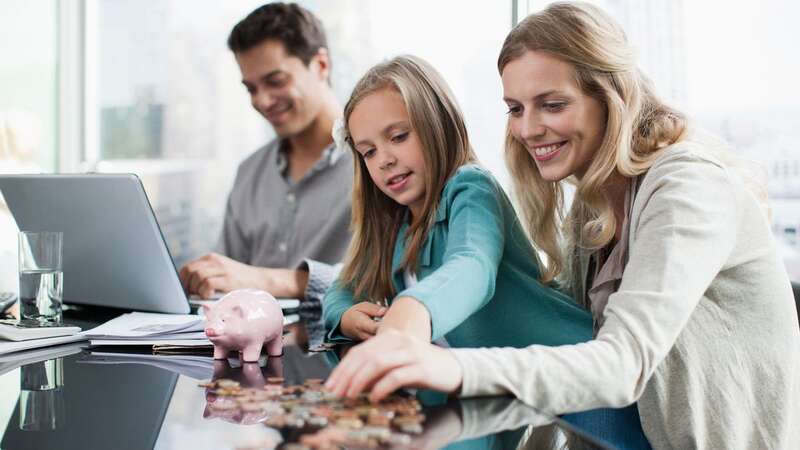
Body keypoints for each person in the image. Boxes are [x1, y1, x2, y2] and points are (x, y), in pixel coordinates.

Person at [324, 3, 800, 449]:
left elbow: (621, 364)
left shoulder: (687, 188)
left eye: (551, 105)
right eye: (515, 109)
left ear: (610, 97)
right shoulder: (591, 211)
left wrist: (449, 365)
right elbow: (566, 374)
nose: (528, 129)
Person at [321, 55, 591, 354]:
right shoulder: (394, 223)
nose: (384, 160)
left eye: (398, 137)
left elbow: (472, 264)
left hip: (572, 376)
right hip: (494, 393)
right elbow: (343, 286)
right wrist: (344, 316)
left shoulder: (471, 187)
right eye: (369, 152)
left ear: (438, 126)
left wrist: (414, 308)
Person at [179, 3, 351, 312]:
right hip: (251, 355)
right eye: (251, 88)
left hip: (341, 354)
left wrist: (268, 280)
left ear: (321, 65)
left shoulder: (377, 164)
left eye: (275, 81)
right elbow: (228, 282)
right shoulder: (249, 173)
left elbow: (392, 282)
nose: (262, 101)